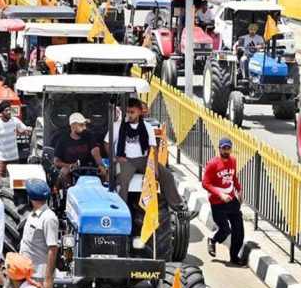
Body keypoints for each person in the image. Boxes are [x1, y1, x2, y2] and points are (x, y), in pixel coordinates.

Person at [104, 98, 195, 219]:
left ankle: (180, 209)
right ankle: (121, 213)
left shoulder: (146, 127)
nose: (129, 115)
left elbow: (153, 147)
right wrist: (115, 158)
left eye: (132, 112)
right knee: (123, 180)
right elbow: (106, 143)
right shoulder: (118, 126)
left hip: (144, 159)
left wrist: (155, 168)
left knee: (167, 175)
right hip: (127, 160)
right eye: (128, 112)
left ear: (139, 112)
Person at [202, 138, 246, 266]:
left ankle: (234, 257)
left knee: (239, 231)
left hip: (232, 201)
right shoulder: (212, 164)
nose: (226, 151)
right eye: (224, 148)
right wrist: (220, 195)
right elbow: (205, 183)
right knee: (225, 229)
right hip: (218, 204)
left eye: (228, 148)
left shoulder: (233, 161)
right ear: (219, 149)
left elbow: (233, 177)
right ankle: (213, 240)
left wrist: (239, 189)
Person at [19, 179, 59, 288]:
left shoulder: (48, 218)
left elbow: (53, 249)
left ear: (30, 197)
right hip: (28, 273)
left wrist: (47, 280)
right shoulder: (33, 214)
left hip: (39, 277)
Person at [53, 113, 107, 187]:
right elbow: (56, 162)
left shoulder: (89, 136)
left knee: (106, 172)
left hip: (89, 169)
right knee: (63, 171)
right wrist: (70, 166)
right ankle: (69, 192)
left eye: (85, 125)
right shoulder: (62, 140)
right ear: (72, 126)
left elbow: (95, 152)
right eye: (81, 125)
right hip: (72, 172)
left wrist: (101, 165)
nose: (85, 128)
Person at [0, 100, 31, 166]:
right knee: (0, 177)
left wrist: (28, 130)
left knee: (15, 177)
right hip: (1, 161)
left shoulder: (15, 121)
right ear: (1, 112)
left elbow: (25, 131)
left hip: (14, 160)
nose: (9, 112)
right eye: (6, 110)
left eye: (9, 110)